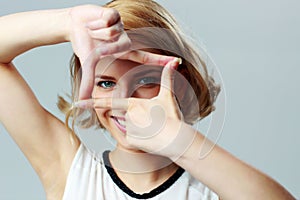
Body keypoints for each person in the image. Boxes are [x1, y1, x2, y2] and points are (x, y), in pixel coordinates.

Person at [0, 0, 295, 199]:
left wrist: (181, 143)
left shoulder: (213, 190)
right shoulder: (70, 170)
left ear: (181, 85)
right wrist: (65, 23)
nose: (122, 99)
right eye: (106, 82)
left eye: (144, 81)